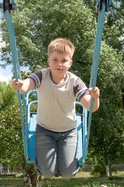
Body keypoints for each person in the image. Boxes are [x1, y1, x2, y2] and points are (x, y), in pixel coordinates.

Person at [11, 38, 100, 179]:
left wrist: (95, 97)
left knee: (67, 174)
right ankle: (49, 165)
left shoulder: (75, 82)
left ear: (70, 63)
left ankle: (64, 166)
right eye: (55, 60)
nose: (59, 64)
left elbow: (91, 107)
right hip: (44, 130)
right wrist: (20, 85)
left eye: (64, 60)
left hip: (68, 131)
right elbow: (26, 86)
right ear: (49, 61)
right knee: (47, 173)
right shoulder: (41, 75)